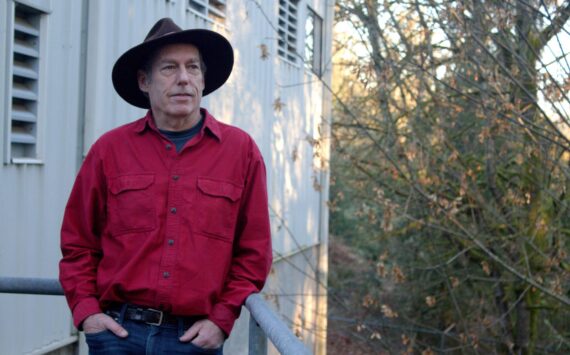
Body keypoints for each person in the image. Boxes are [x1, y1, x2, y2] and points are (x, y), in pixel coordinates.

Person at [59, 18, 272, 354]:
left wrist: (222, 318)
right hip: (117, 335)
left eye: (192, 68)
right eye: (169, 68)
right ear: (144, 81)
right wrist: (88, 314)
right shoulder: (109, 151)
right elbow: (78, 243)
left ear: (203, 79)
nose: (183, 79)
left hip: (194, 340)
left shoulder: (241, 152)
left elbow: (254, 252)